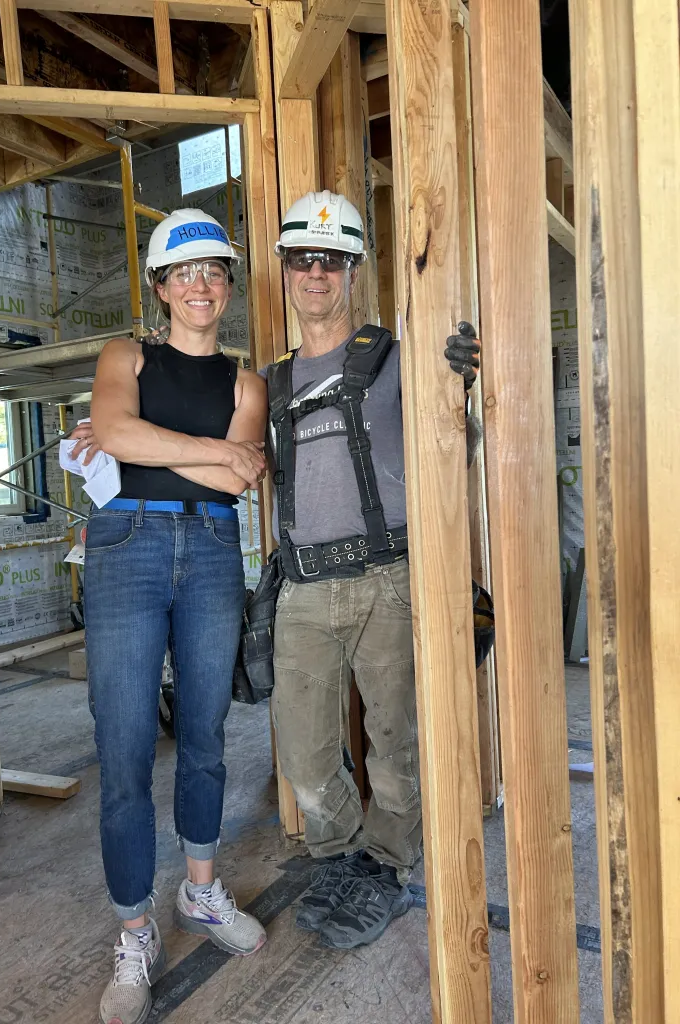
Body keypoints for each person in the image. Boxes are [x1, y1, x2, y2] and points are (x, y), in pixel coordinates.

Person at [266, 190, 481, 950]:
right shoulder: (270, 381)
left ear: (354, 269)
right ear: (285, 268)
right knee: (304, 751)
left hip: (387, 581)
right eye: (302, 258)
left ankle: (387, 866)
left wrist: (461, 383)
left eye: (332, 259)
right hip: (301, 590)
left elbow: (460, 443)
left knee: (395, 740)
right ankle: (338, 855)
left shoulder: (396, 359)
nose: (316, 273)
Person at [70, 208, 268, 1024]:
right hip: (127, 546)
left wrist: (151, 446)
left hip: (215, 548)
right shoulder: (126, 355)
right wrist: (208, 448)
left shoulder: (247, 381)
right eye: (183, 272)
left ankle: (199, 891)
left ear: (226, 289)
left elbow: (238, 478)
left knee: (206, 730)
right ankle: (133, 931)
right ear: (159, 286)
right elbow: (111, 427)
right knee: (122, 742)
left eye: (213, 272)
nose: (199, 283)